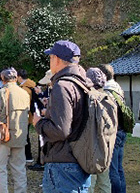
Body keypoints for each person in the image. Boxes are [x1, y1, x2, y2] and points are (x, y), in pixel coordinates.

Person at [33, 40, 91, 193]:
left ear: (56, 59)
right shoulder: (83, 82)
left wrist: (39, 123)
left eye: (50, 57)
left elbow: (60, 130)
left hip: (63, 163)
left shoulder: (62, 86)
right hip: (80, 158)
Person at [0, 68, 30, 193]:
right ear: (16, 78)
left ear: (3, 79)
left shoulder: (1, 93)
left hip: (4, 135)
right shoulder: (24, 93)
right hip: (21, 135)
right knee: (19, 169)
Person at [99, 64, 126, 193]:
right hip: (122, 130)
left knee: (112, 170)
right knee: (119, 168)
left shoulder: (107, 91)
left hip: (114, 133)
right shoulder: (117, 87)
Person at [86, 68, 111, 193]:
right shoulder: (109, 97)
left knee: (90, 182)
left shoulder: (88, 98)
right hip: (107, 143)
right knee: (105, 182)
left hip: (91, 145)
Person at [17, 68, 37, 164]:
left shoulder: (24, 89)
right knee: (26, 135)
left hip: (26, 115)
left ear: (19, 77)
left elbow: (24, 103)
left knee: (25, 136)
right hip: (31, 115)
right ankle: (27, 155)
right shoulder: (32, 85)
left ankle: (28, 156)